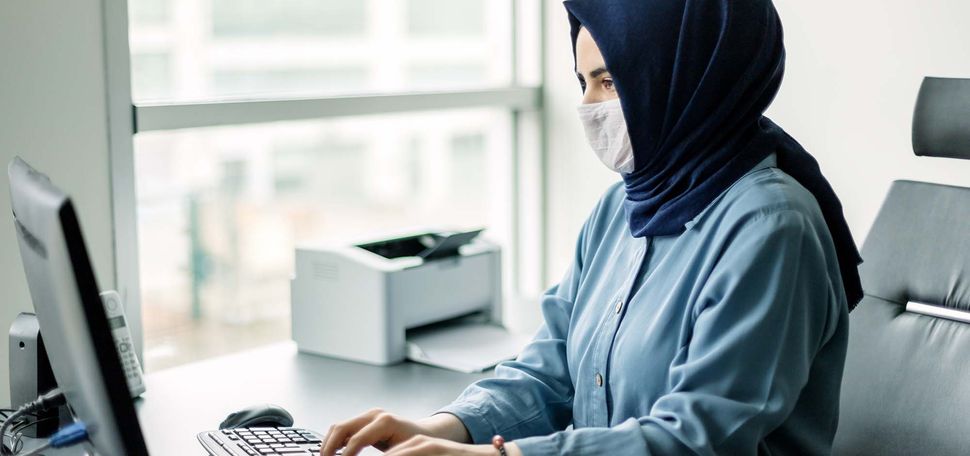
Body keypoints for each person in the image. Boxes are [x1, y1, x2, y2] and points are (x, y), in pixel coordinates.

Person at [321, 0, 864, 454]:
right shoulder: (621, 208)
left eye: (609, 81)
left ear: (686, 74)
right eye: (583, 82)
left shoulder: (772, 227)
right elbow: (553, 370)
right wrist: (442, 428)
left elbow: (696, 441)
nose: (588, 106)